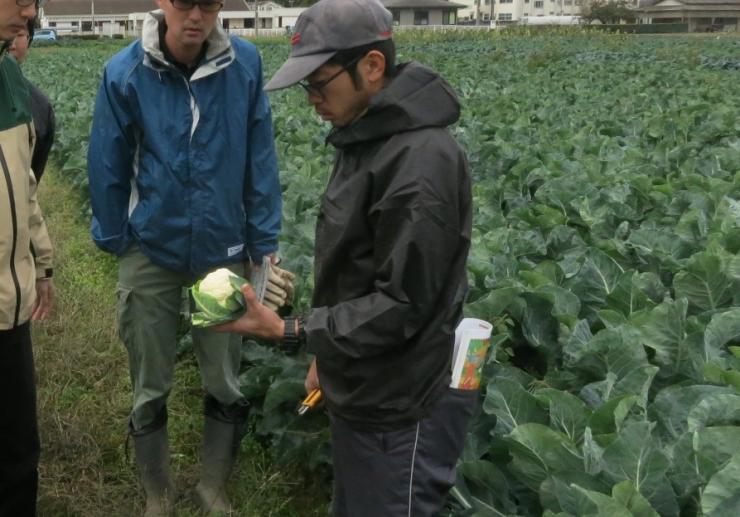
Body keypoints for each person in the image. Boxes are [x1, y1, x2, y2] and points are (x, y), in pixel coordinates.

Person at [218, 0, 476, 515]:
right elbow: (356, 274)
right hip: (364, 383)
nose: (312, 97)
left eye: (320, 81)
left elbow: (401, 304)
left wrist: (291, 331)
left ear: (373, 66)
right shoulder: (364, 138)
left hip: (402, 403)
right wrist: (327, 358)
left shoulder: (419, 163)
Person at [87, 1, 290, 514]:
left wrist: (261, 240)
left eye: (209, 3)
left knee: (223, 376)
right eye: (185, 3)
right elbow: (107, 159)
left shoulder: (243, 64)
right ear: (164, 3)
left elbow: (258, 153)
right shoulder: (125, 72)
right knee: (149, 379)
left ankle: (211, 486)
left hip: (222, 248)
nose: (196, 15)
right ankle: (158, 493)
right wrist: (117, 239)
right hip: (150, 244)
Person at [0, 1, 54, 516]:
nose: (29, 11)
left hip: (8, 308)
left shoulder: (11, 83)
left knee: (18, 453)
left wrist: (41, 263)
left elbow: (26, 189)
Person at [9, 19, 55, 184]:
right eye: (4, 33)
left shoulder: (41, 107)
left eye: (19, 34)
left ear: (29, 39)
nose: (11, 44)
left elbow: (34, 175)